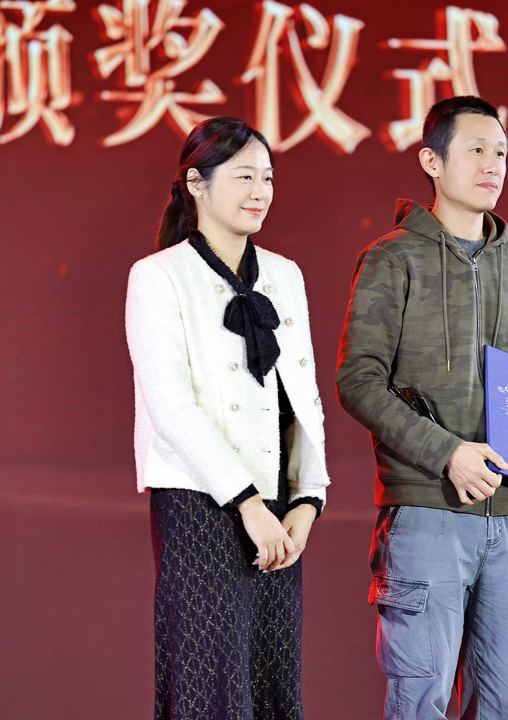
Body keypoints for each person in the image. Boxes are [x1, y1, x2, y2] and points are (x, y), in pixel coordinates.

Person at [335, 95, 508, 719]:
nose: (492, 165)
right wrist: (447, 452)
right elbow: (359, 380)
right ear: (431, 160)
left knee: (506, 700)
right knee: (420, 697)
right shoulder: (392, 257)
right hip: (428, 508)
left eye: (501, 152)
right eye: (476, 149)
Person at [124, 116, 330, 720]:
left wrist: (307, 500)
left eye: (267, 177)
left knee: (272, 676)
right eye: (243, 176)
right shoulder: (159, 276)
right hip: (201, 501)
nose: (260, 191)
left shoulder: (285, 274)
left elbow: (303, 396)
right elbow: (171, 407)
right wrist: (247, 504)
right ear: (196, 183)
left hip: (278, 507)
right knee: (208, 680)